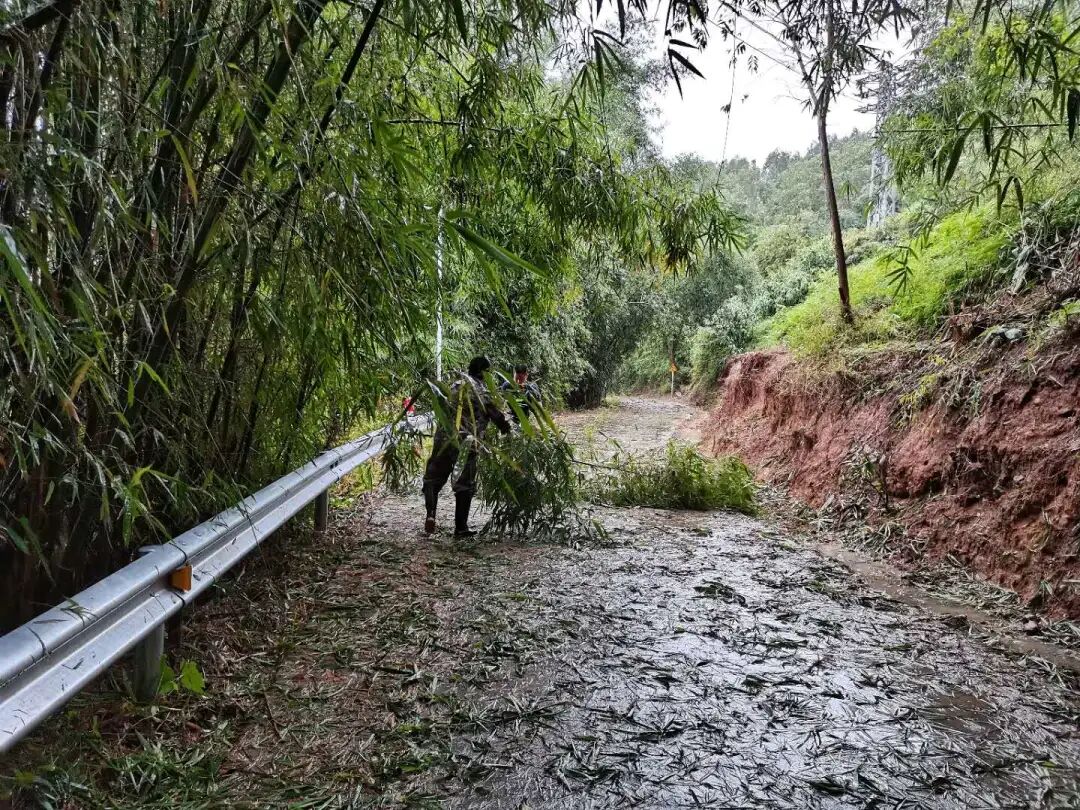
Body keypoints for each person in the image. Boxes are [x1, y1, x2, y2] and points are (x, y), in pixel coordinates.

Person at [423, 356, 510, 537]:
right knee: (464, 485)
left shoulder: (455, 385)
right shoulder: (480, 390)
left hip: (443, 438)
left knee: (433, 478)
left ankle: (431, 514)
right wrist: (507, 428)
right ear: (484, 372)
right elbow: (495, 414)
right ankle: (461, 527)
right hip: (466, 442)